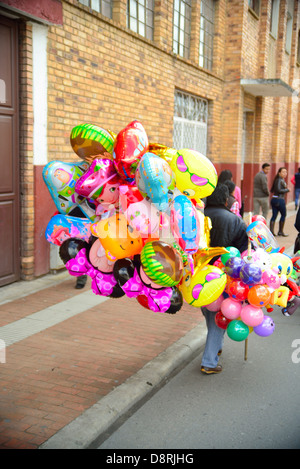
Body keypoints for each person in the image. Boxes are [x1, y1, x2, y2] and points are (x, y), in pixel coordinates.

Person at [201, 183, 249, 375]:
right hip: (224, 276)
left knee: (209, 312)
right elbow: (244, 252)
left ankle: (216, 346)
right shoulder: (236, 221)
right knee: (217, 319)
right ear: (225, 199)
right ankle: (209, 362)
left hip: (199, 274)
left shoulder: (198, 215)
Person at [269, 167, 290, 237]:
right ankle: (280, 231)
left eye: (286, 172)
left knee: (274, 215)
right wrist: (287, 190)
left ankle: (272, 232)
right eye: (283, 172)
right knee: (283, 214)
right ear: (279, 173)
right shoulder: (279, 180)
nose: (285, 173)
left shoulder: (279, 180)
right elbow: (278, 190)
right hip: (279, 199)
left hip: (275, 199)